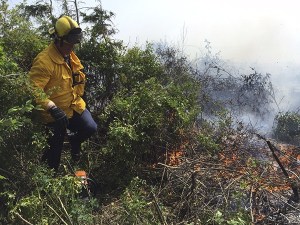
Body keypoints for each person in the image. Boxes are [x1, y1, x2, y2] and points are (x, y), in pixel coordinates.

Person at [29, 15, 97, 171]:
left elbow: (76, 81)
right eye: (69, 44)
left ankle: (74, 141)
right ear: (58, 40)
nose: (72, 47)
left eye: (74, 44)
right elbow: (33, 88)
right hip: (54, 115)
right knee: (53, 155)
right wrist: (51, 107)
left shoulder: (70, 55)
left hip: (73, 106)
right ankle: (48, 183)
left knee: (90, 127)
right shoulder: (44, 60)